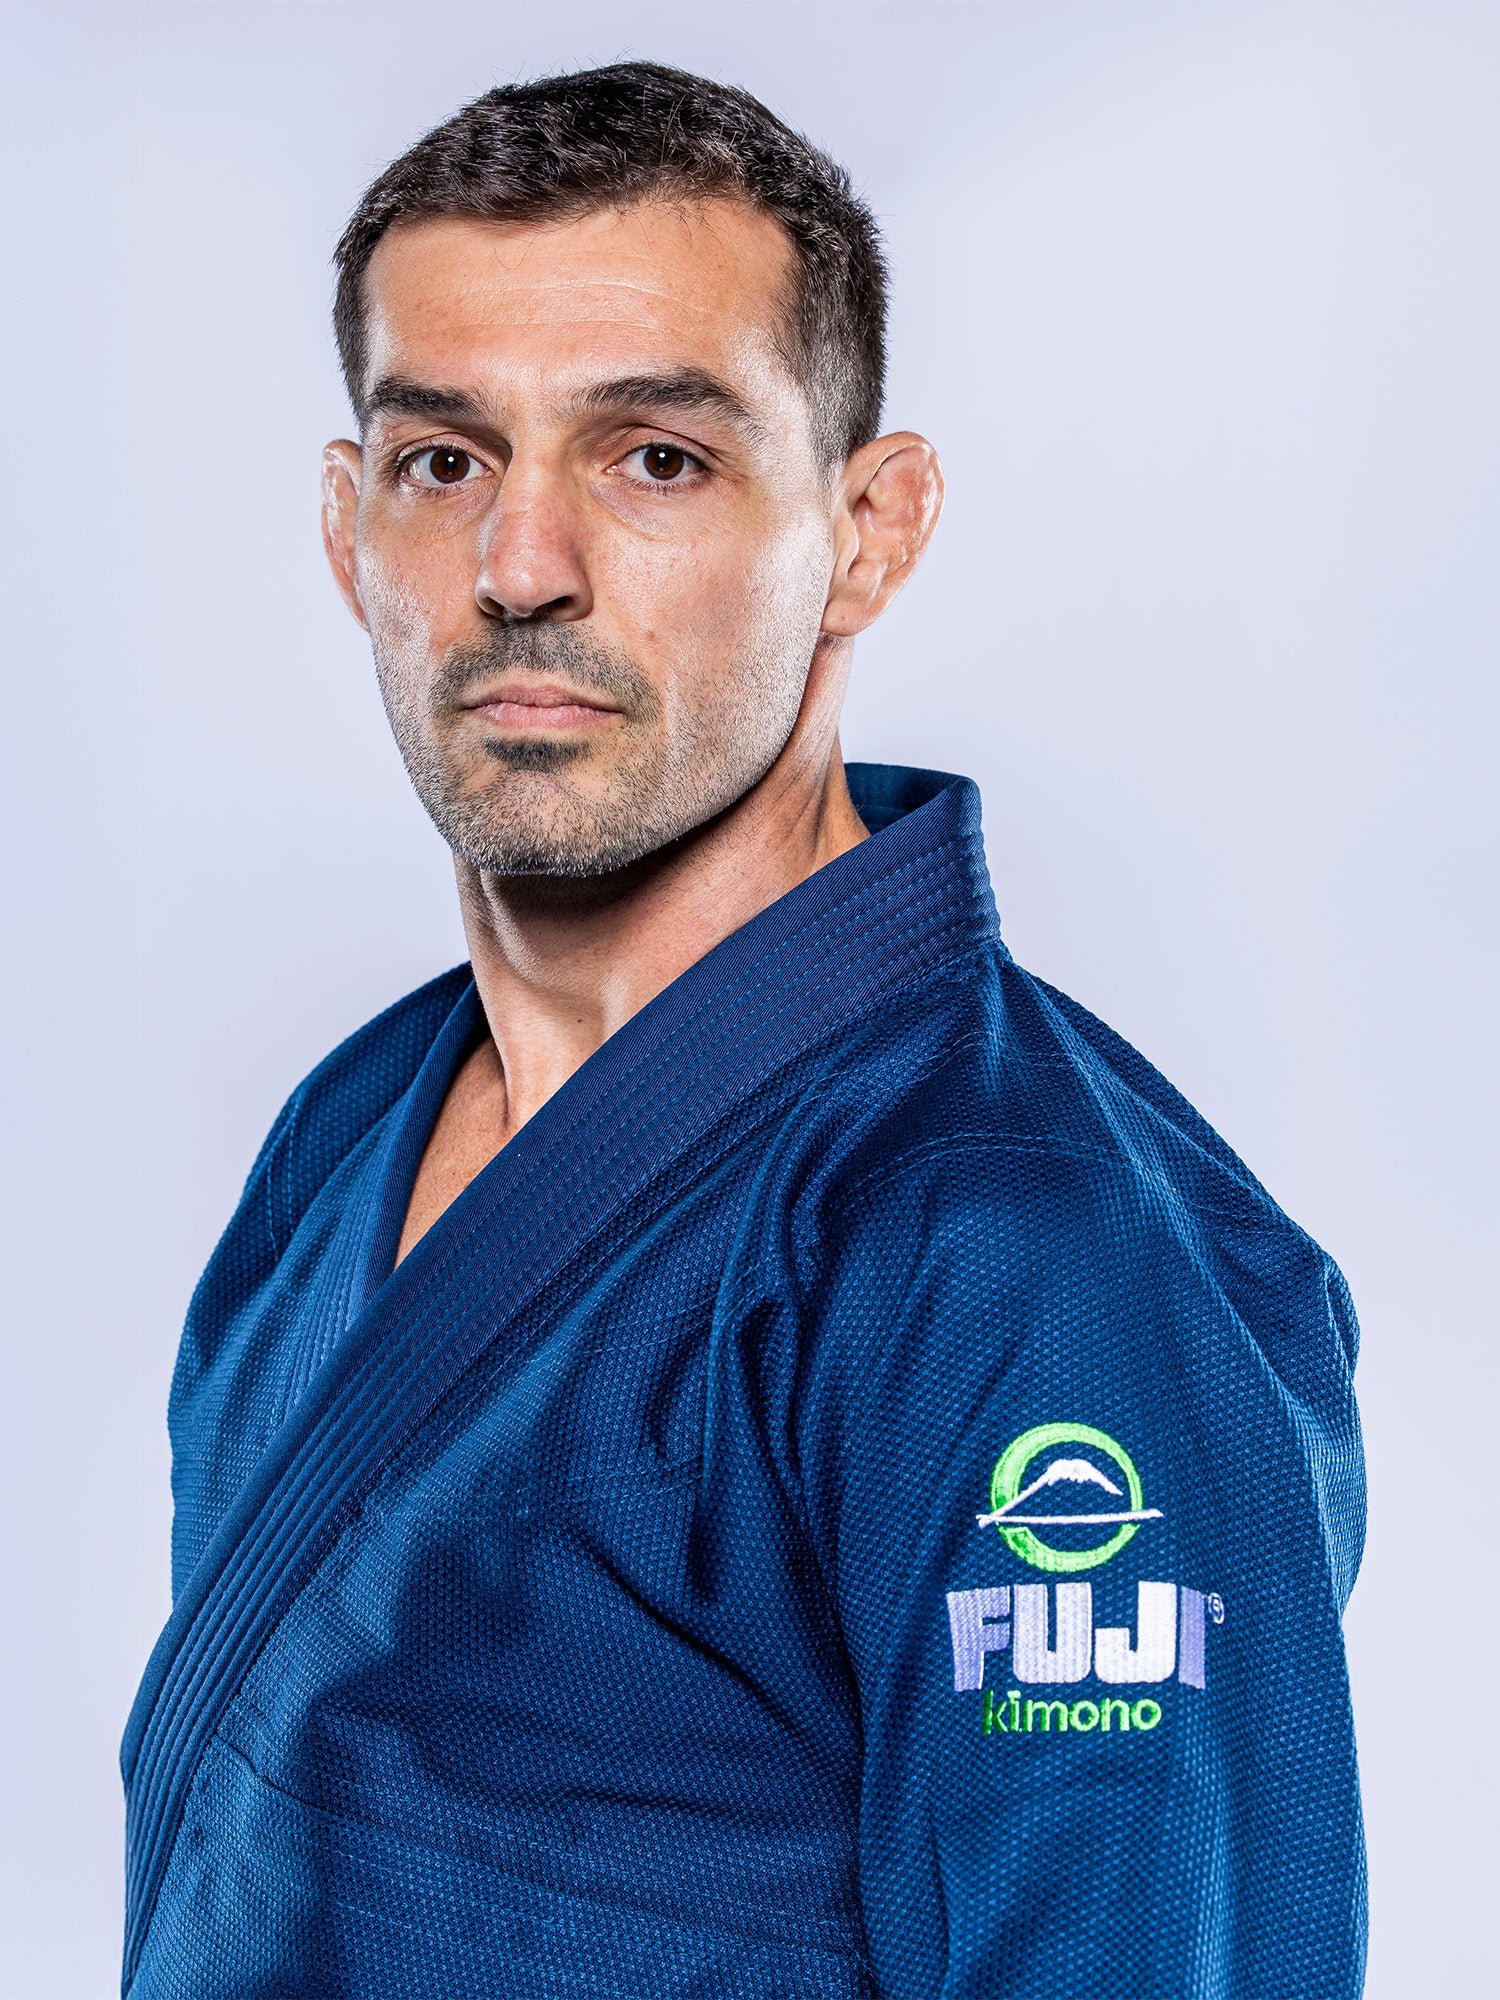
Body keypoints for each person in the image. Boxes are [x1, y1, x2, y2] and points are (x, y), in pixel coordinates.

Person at [121, 61, 1366, 2000]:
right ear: (348, 524)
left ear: (869, 531)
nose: (520, 569)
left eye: (655, 459)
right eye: (445, 461)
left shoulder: (1011, 1260)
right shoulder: (334, 1149)